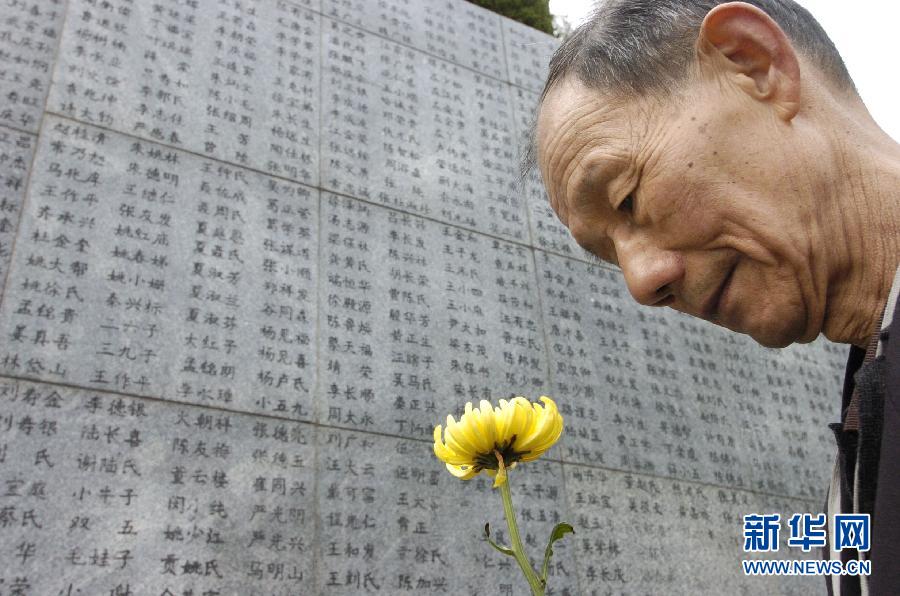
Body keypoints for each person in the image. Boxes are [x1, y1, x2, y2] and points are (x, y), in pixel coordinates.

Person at [524, 0, 899, 593]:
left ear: (752, 63)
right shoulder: (866, 414)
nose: (642, 284)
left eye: (626, 198)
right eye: (610, 254)